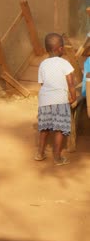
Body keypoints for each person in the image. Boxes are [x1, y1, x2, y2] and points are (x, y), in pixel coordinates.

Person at [35, 33, 76, 165]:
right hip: (60, 101)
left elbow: (42, 84)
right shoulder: (65, 63)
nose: (63, 49)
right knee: (59, 129)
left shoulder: (42, 64)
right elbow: (71, 83)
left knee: (44, 129)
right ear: (59, 48)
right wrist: (73, 96)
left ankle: (40, 154)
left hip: (45, 101)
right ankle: (57, 158)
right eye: (62, 47)